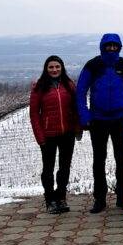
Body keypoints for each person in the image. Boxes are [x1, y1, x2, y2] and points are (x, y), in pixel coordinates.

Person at [76, 33, 123, 213]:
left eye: (115, 46)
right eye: (109, 46)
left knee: (122, 160)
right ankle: (100, 199)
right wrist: (85, 116)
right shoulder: (93, 65)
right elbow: (80, 91)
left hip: (121, 119)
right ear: (102, 47)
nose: (111, 48)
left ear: (119, 47)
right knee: (99, 160)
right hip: (98, 120)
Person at [30, 55, 81, 214]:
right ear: (46, 69)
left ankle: (61, 197)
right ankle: (49, 199)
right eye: (51, 67)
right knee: (48, 169)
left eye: (57, 67)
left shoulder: (69, 84)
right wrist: (40, 137)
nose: (54, 70)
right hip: (48, 135)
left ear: (62, 68)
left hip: (67, 133)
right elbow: (34, 114)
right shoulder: (39, 87)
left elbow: (76, 108)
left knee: (64, 168)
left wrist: (78, 128)